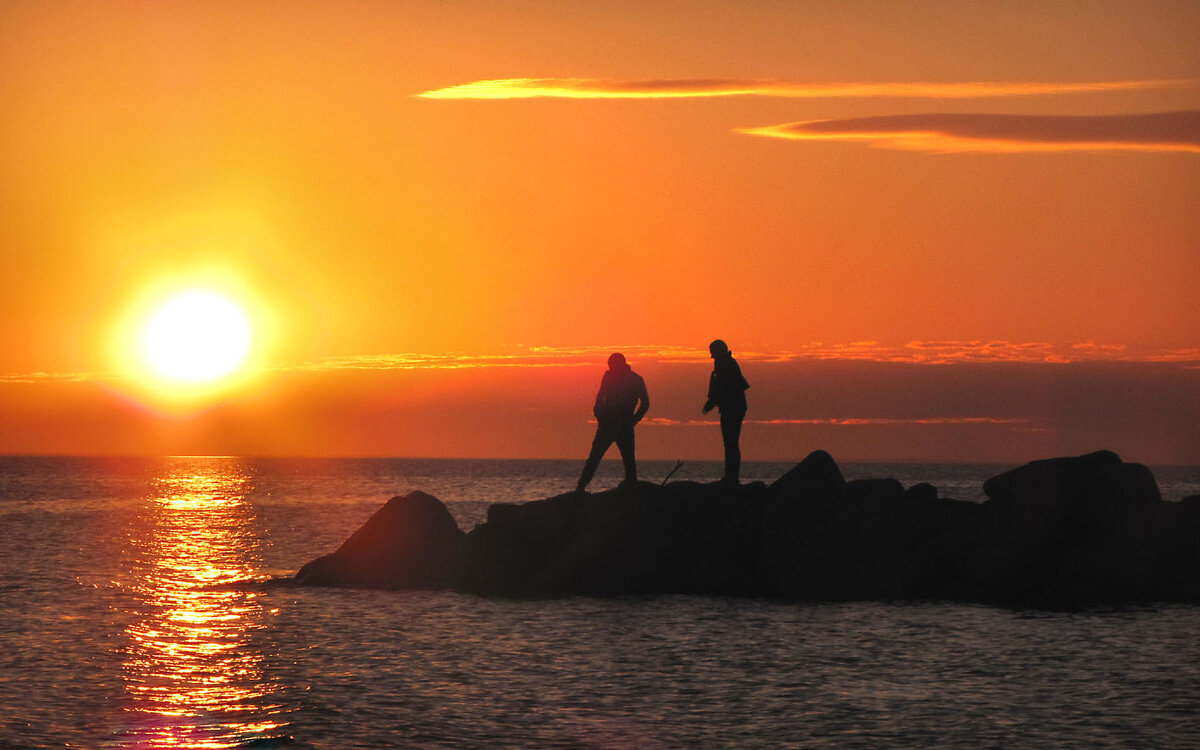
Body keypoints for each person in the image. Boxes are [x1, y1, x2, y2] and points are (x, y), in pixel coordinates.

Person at [576, 352, 650, 492]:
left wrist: (633, 420)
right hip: (607, 424)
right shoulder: (608, 377)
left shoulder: (636, 380)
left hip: (624, 425)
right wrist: (598, 412)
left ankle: (631, 486)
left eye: (612, 366)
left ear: (621, 364)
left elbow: (646, 403)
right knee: (594, 457)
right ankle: (580, 487)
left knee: (628, 460)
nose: (610, 368)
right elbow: (600, 395)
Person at [702, 339, 749, 483]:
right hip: (731, 407)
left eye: (713, 353)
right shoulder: (725, 363)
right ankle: (731, 476)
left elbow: (723, 385)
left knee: (731, 443)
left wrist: (711, 402)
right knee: (730, 443)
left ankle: (732, 477)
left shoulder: (726, 364)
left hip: (733, 408)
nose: (712, 356)